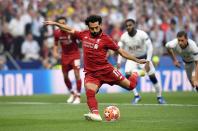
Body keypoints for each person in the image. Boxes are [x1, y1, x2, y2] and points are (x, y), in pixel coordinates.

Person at [44, 15, 147, 121]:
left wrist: (137, 60)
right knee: (89, 92)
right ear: (88, 27)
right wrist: (56, 24)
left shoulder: (106, 39)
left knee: (131, 86)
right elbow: (69, 29)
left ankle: (136, 73)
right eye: (91, 28)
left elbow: (121, 52)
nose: (94, 30)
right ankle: (95, 113)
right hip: (92, 74)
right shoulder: (84, 35)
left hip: (107, 71)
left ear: (100, 25)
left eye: (96, 27)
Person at [117, 19, 166, 104]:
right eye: (127, 26)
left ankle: (159, 97)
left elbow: (150, 47)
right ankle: (136, 96)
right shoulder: (124, 36)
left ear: (134, 25)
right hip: (132, 59)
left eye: (130, 25)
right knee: (127, 77)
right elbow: (119, 49)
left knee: (152, 77)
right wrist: (119, 61)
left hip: (144, 58)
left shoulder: (142, 34)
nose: (128, 27)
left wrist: (148, 61)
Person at [53, 16, 82, 104]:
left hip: (75, 55)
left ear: (66, 24)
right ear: (58, 25)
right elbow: (55, 44)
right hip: (65, 56)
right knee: (65, 76)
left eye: (64, 23)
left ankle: (78, 96)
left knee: (77, 74)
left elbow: (81, 40)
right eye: (60, 24)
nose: (62, 25)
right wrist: (55, 52)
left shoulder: (71, 32)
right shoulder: (57, 33)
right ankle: (72, 93)